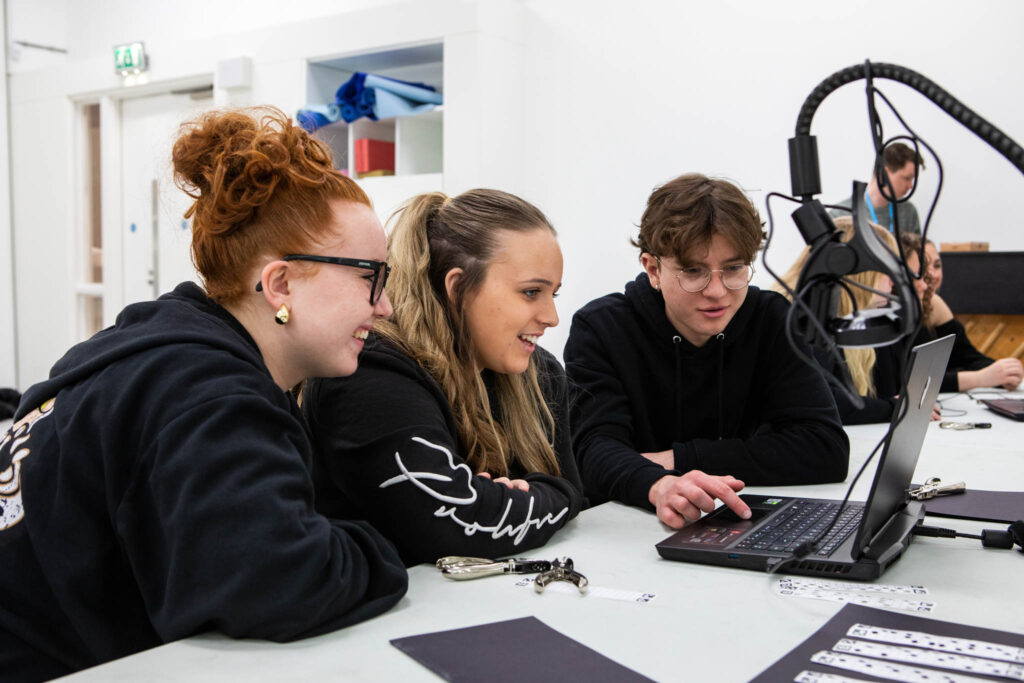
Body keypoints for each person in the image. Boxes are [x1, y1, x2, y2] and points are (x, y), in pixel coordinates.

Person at [0, 107, 408, 680]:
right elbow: (277, 582)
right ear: (281, 283)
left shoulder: (145, 346)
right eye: (371, 276)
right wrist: (382, 546)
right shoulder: (208, 393)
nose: (384, 306)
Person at [302, 189, 585, 567]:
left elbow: (563, 496)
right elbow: (456, 527)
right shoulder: (370, 373)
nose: (551, 317)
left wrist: (513, 500)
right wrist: (554, 495)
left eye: (553, 294)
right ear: (457, 288)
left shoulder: (541, 373)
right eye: (531, 292)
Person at [564, 173, 849, 530]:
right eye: (693, 271)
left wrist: (675, 459)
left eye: (733, 269)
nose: (717, 291)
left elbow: (825, 448)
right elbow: (591, 451)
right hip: (626, 527)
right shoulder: (602, 327)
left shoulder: (770, 318)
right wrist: (660, 484)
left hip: (730, 523)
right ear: (653, 269)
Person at [774, 216, 939, 424]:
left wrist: (895, 404)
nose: (893, 281)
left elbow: (884, 387)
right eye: (887, 270)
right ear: (854, 270)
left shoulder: (846, 316)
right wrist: (893, 408)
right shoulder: (796, 316)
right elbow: (825, 400)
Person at [902, 234, 1023, 392]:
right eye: (923, 269)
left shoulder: (934, 303)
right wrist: (983, 378)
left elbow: (965, 356)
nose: (933, 275)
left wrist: (1005, 373)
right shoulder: (894, 313)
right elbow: (915, 378)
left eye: (937, 266)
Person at [830, 142, 924, 235]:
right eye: (907, 178)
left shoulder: (909, 212)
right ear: (884, 173)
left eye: (913, 179)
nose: (911, 186)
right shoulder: (841, 216)